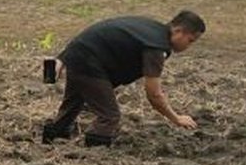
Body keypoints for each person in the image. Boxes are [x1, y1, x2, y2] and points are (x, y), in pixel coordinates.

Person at [42, 10, 205, 147]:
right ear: (178, 31)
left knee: (74, 102)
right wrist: (176, 118)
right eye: (190, 41)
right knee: (109, 116)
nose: (188, 46)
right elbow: (154, 95)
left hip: (80, 55)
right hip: (89, 62)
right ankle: (95, 151)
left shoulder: (150, 28)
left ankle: (52, 139)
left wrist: (63, 58)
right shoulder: (156, 47)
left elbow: (95, 32)